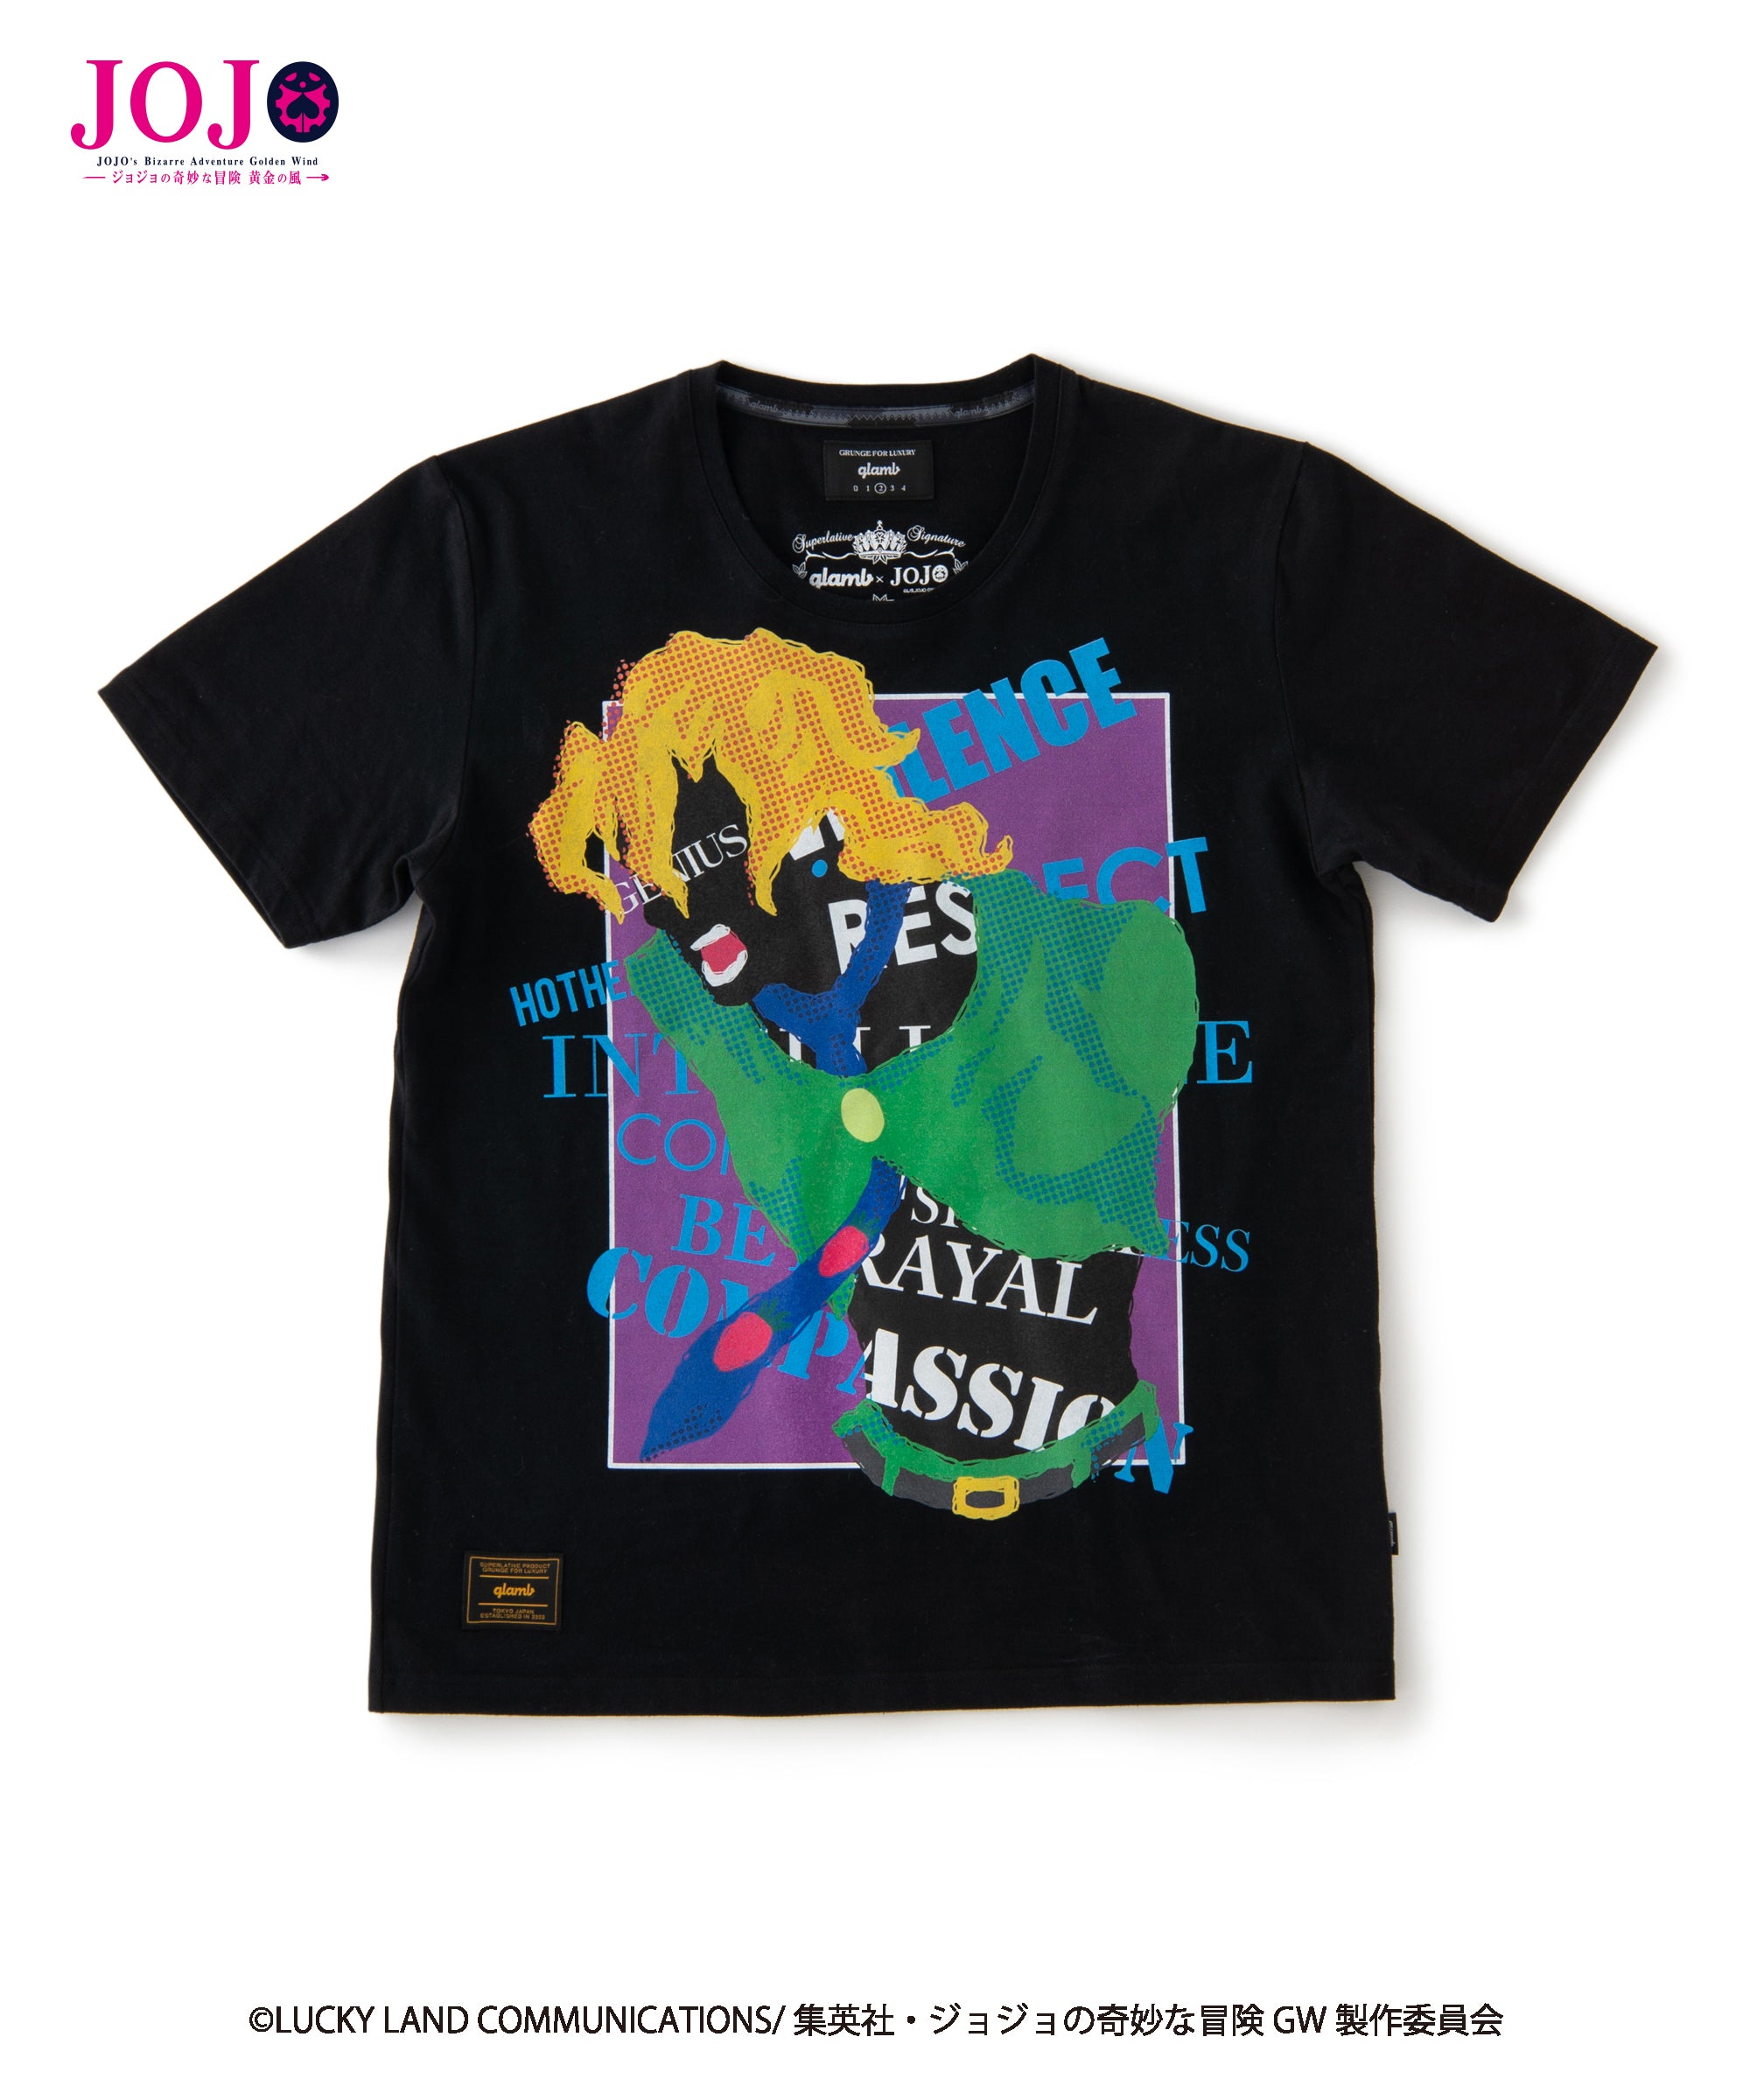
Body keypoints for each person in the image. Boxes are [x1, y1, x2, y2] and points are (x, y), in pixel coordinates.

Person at [530, 628, 1199, 1517]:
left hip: (1132, 1530)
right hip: (808, 1525)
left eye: (705, 858)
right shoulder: (709, 1017)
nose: (682, 916)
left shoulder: (1095, 960)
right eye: (654, 887)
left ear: (816, 806)